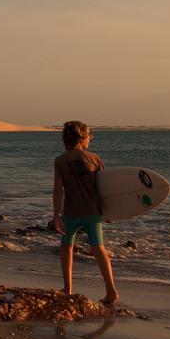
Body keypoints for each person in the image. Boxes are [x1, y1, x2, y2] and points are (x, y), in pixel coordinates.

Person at [52, 121, 119, 306]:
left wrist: (56, 215)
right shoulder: (95, 158)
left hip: (71, 212)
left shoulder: (60, 161)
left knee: (67, 247)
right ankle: (111, 290)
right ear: (82, 138)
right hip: (93, 212)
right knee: (98, 248)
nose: (91, 138)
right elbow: (105, 189)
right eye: (89, 135)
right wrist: (109, 211)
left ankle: (67, 288)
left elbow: (58, 191)